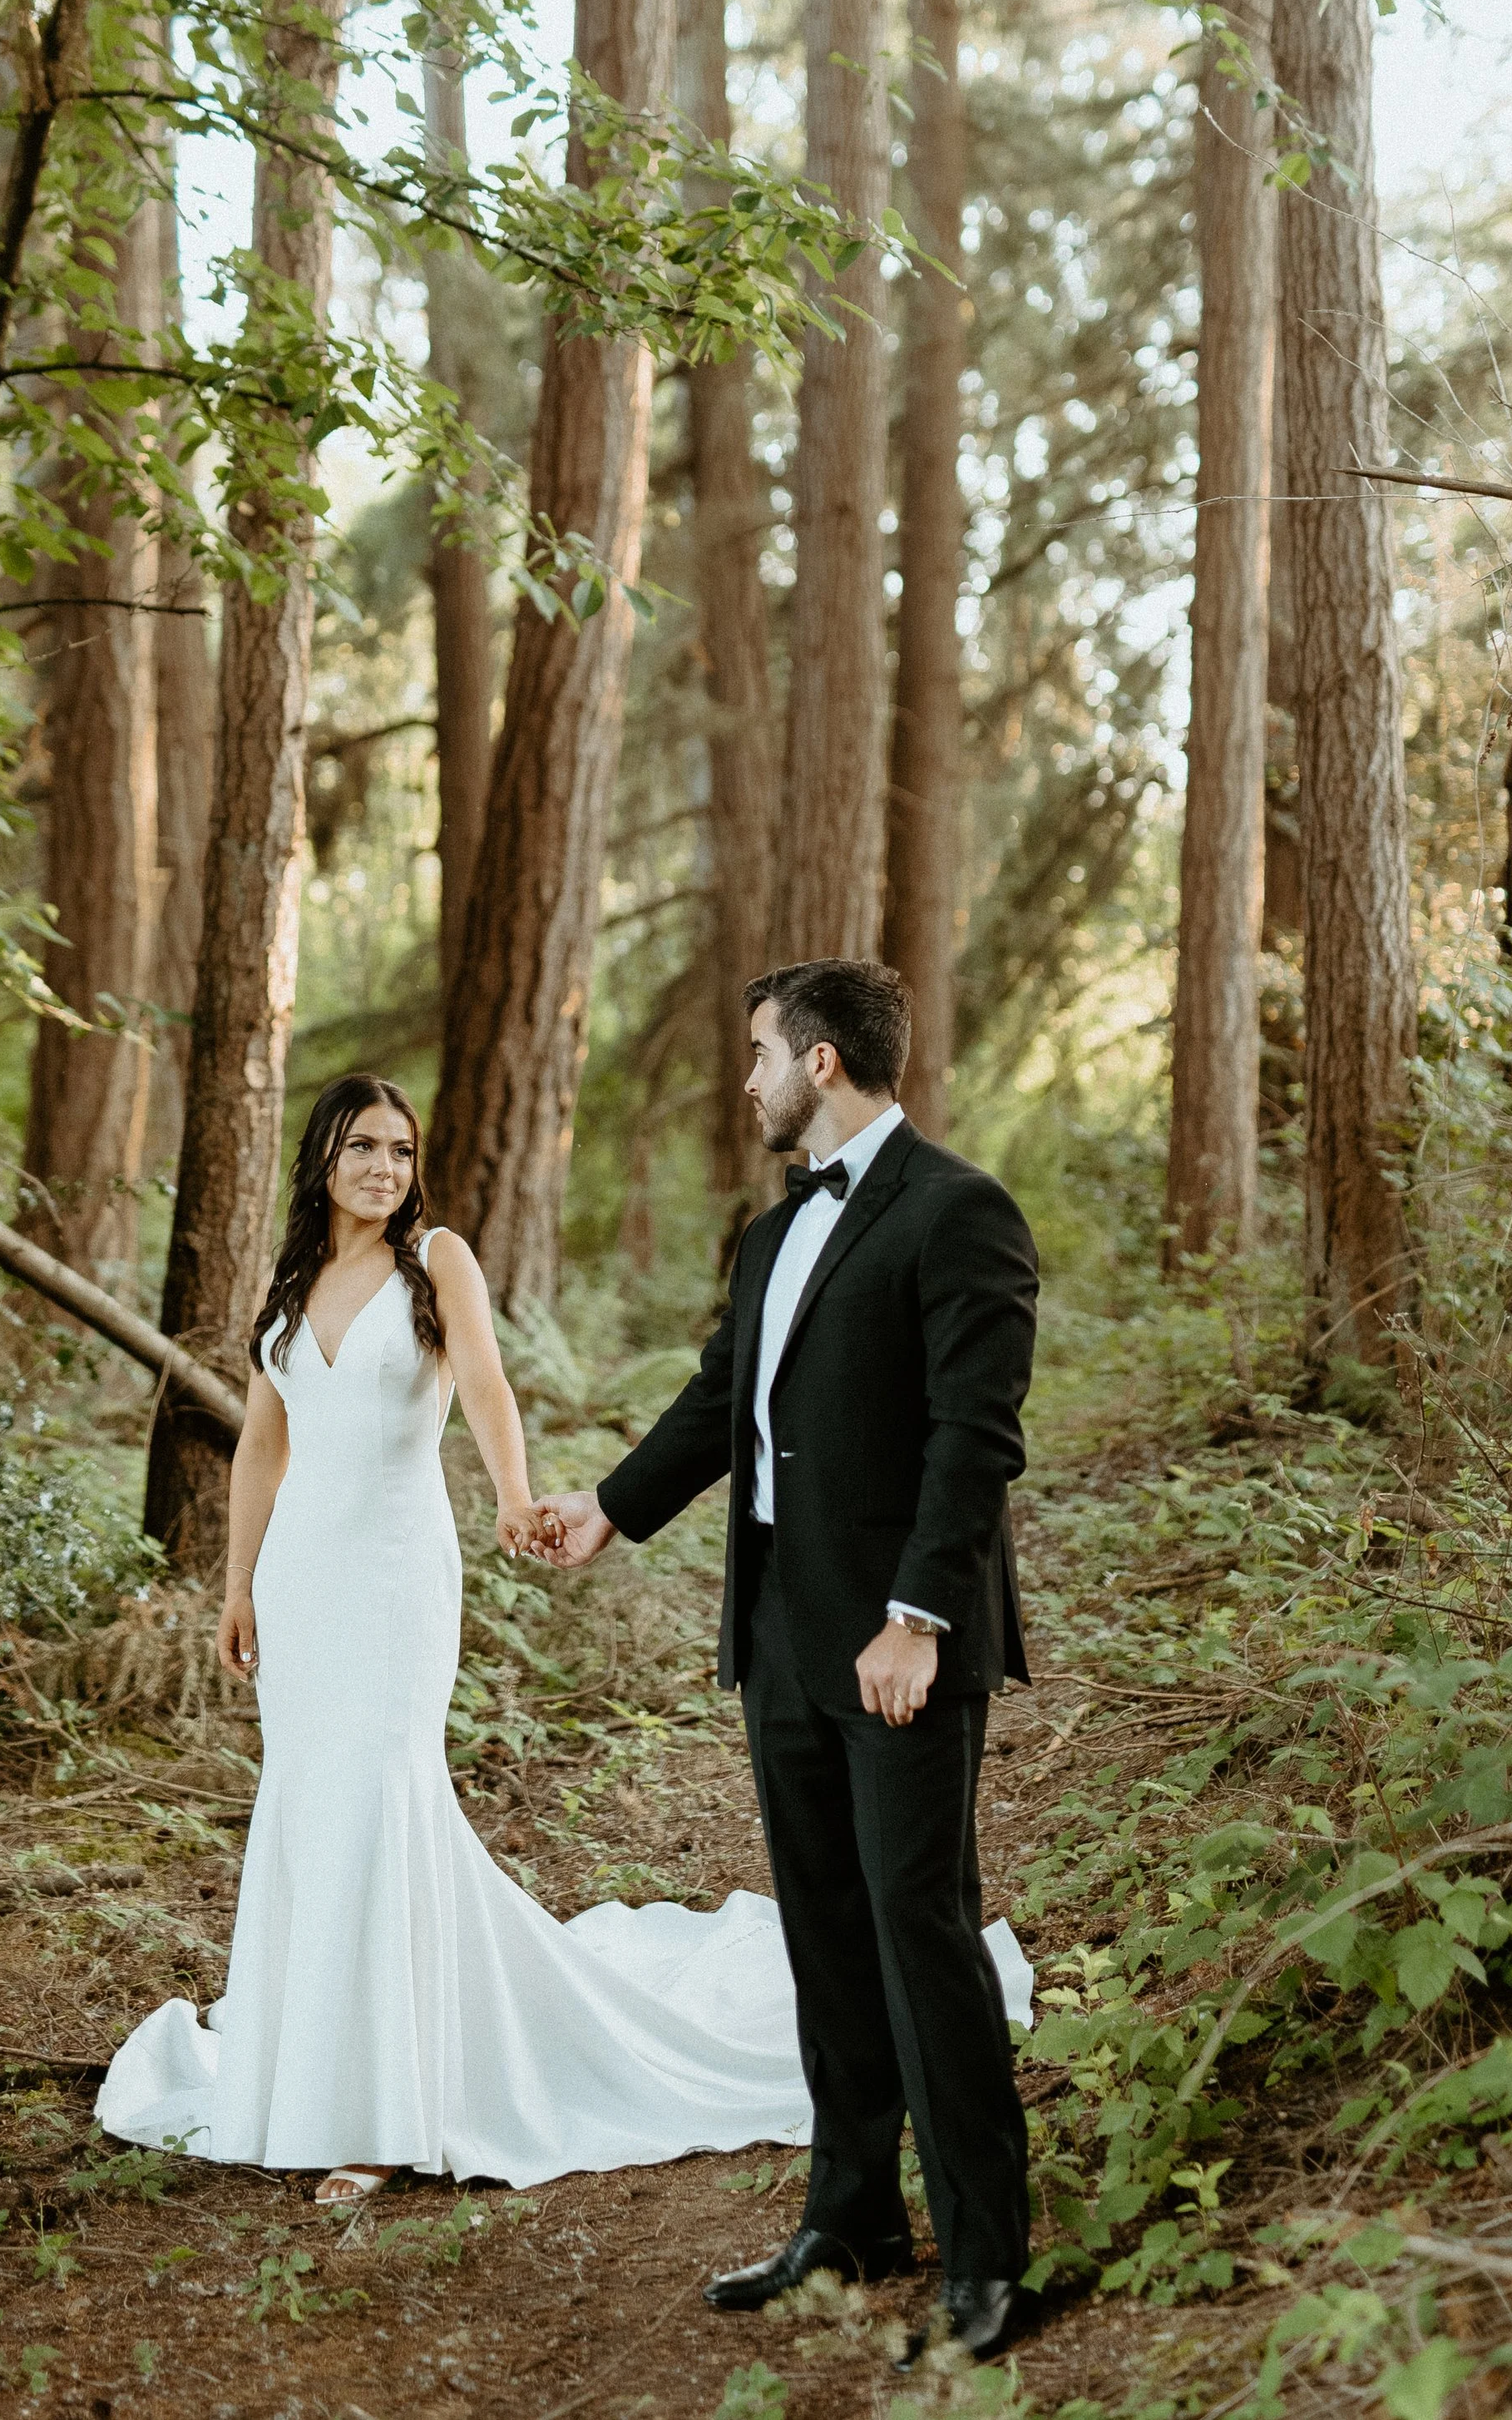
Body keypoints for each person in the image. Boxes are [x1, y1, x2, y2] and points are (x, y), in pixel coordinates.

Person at [96, 1071, 1032, 2202]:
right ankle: (302, 2078)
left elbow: (485, 1386)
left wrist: (512, 1494)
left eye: (399, 1149)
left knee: (382, 1796)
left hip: (396, 1575)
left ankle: (391, 2107)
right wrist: (237, 1585)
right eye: (361, 1149)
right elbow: (261, 1445)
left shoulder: (434, 1259)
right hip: (302, 1579)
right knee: (310, 1803)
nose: (384, 1168)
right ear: (323, 1160)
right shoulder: (292, 1284)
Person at [539, 959, 1040, 2364]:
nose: (746, 1076)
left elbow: (975, 1441)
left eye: (759, 1052)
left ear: (821, 1063)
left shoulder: (959, 1211)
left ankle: (989, 2257)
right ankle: (855, 2213)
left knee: (920, 1929)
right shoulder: (773, 1239)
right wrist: (609, 1510)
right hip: (779, 1636)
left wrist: (921, 1618)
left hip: (898, 1646)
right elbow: (721, 1406)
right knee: (822, 1931)